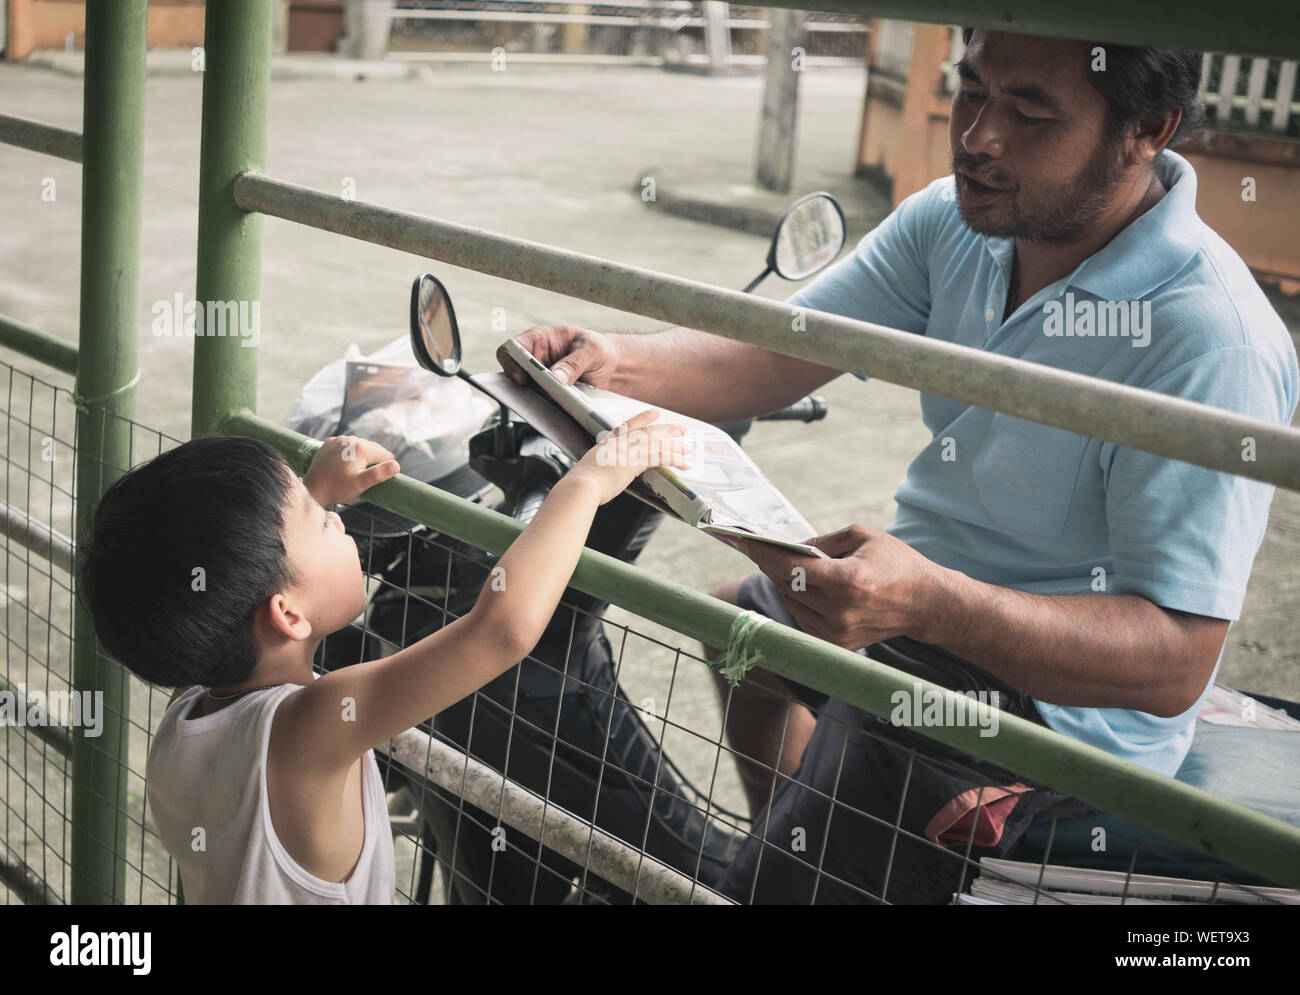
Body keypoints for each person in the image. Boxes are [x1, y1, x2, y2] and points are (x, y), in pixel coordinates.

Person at [497, 29, 1300, 903]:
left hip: (1061, 706)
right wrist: (609, 359)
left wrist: (932, 601)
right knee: (742, 634)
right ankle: (801, 856)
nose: (980, 136)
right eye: (972, 91)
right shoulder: (955, 223)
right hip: (917, 603)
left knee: (867, 732)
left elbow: (1174, 660)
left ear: (1148, 129)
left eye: (1029, 111)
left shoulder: (1208, 339)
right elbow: (773, 350)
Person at [76, 416, 691, 904]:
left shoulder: (188, 705)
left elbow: (237, 599)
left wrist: (313, 492)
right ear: (288, 614)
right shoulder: (310, 726)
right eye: (323, 524)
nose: (341, 527)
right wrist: (586, 484)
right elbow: (500, 631)